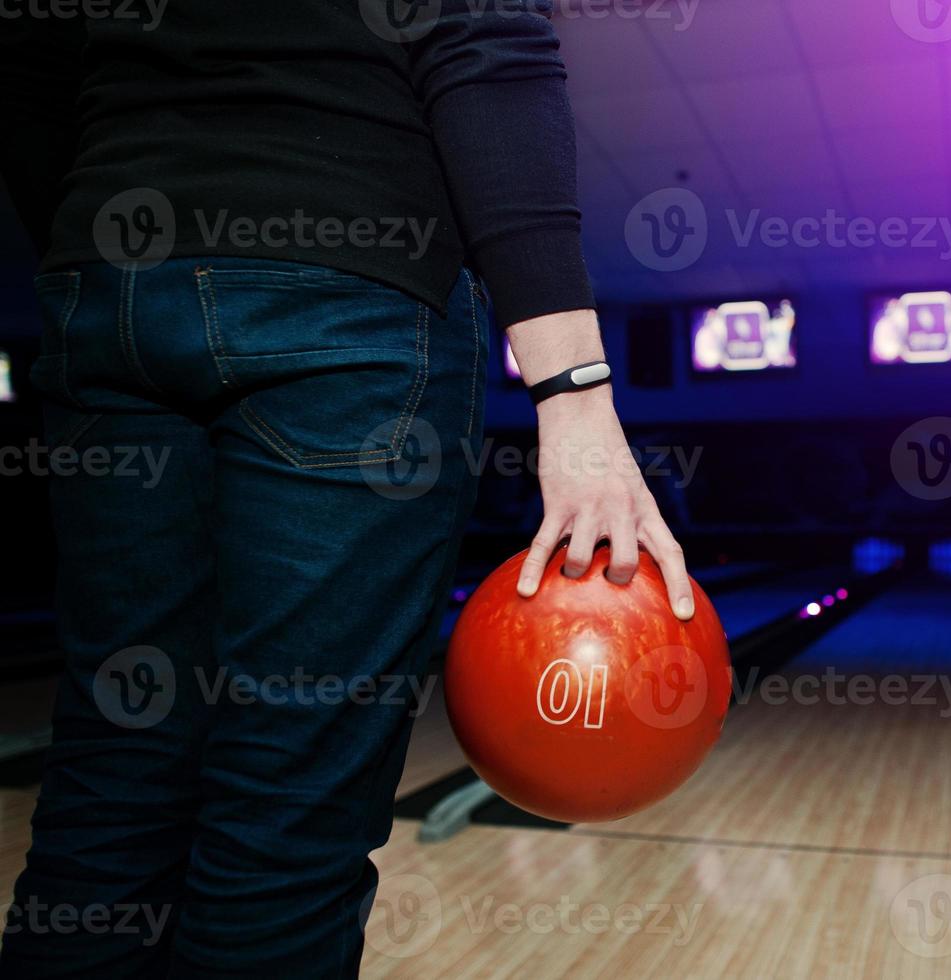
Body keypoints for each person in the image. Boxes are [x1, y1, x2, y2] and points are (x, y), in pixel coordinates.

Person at [0, 2, 693, 975]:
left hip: (111, 295)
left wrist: (106, 254)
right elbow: (484, 37)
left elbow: (28, 57)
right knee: (284, 818)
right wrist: (574, 392)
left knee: (113, 784)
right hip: (347, 303)